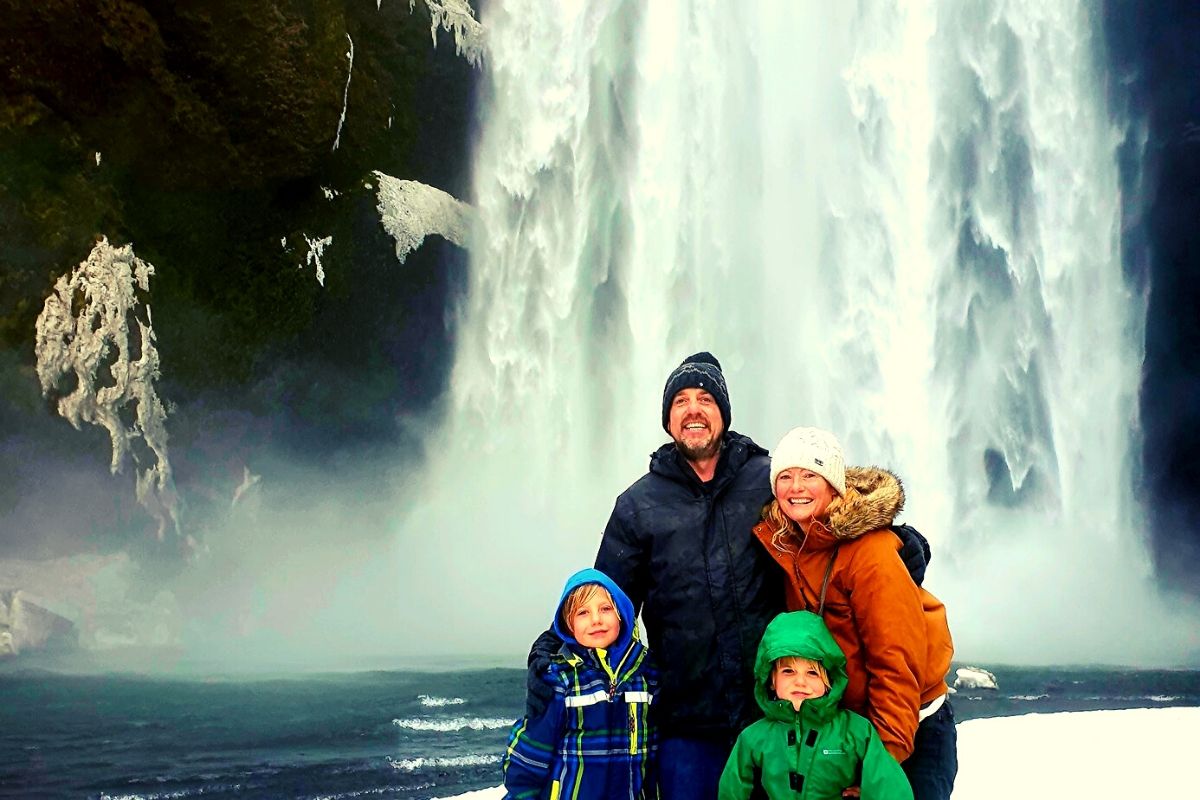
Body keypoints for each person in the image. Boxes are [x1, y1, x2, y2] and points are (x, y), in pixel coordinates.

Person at [527, 353, 930, 799]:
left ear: (724, 413)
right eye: (680, 401)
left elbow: (829, 513)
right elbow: (600, 608)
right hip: (688, 723)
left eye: (705, 399)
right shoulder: (637, 507)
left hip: (779, 716)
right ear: (668, 419)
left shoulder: (769, 481)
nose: (693, 409)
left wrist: (901, 541)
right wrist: (549, 652)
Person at [752, 427, 957, 800]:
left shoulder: (870, 553)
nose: (796, 486)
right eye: (785, 476)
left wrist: (880, 762)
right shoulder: (788, 545)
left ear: (833, 485)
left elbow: (896, 662)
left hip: (912, 727)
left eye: (810, 475)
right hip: (848, 731)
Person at [718, 610, 913, 800]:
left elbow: (888, 785)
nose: (800, 682)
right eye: (788, 671)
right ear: (770, 680)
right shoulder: (754, 737)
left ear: (829, 680)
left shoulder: (856, 731)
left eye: (812, 673)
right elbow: (732, 788)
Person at [502, 568, 658, 800]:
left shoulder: (647, 674)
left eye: (605, 609)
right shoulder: (559, 678)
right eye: (582, 612)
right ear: (568, 625)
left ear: (622, 614)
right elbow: (531, 752)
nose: (596, 620)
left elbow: (657, 755)